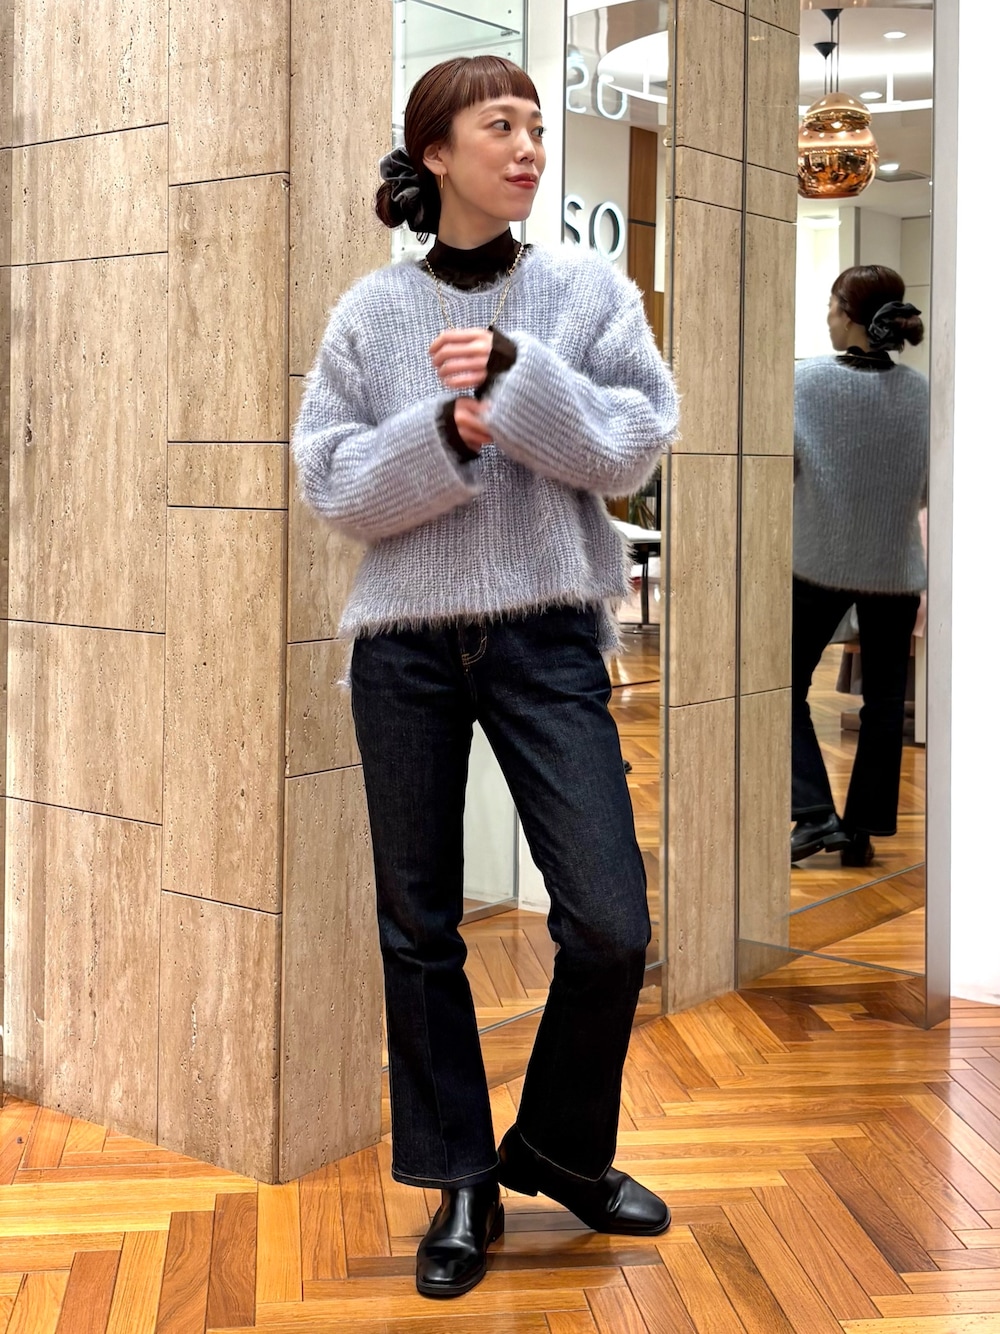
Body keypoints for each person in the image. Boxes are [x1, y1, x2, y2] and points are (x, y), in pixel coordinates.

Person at [292, 56, 678, 1299]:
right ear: (436, 152)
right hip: (404, 642)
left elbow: (632, 443)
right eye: (497, 125)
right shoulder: (368, 312)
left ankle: (557, 1146)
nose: (526, 148)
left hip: (547, 633)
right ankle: (461, 1178)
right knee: (420, 925)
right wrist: (445, 432)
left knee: (609, 922)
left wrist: (517, 380)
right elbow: (331, 481)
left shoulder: (585, 290)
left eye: (534, 127)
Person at [791, 265, 928, 867]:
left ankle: (814, 812)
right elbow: (928, 490)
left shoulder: (802, 383)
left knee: (781, 686)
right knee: (884, 703)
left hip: (817, 562)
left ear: (848, 315)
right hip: (895, 569)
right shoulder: (924, 394)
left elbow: (780, 467)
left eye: (831, 305)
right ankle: (862, 831)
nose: (826, 315)